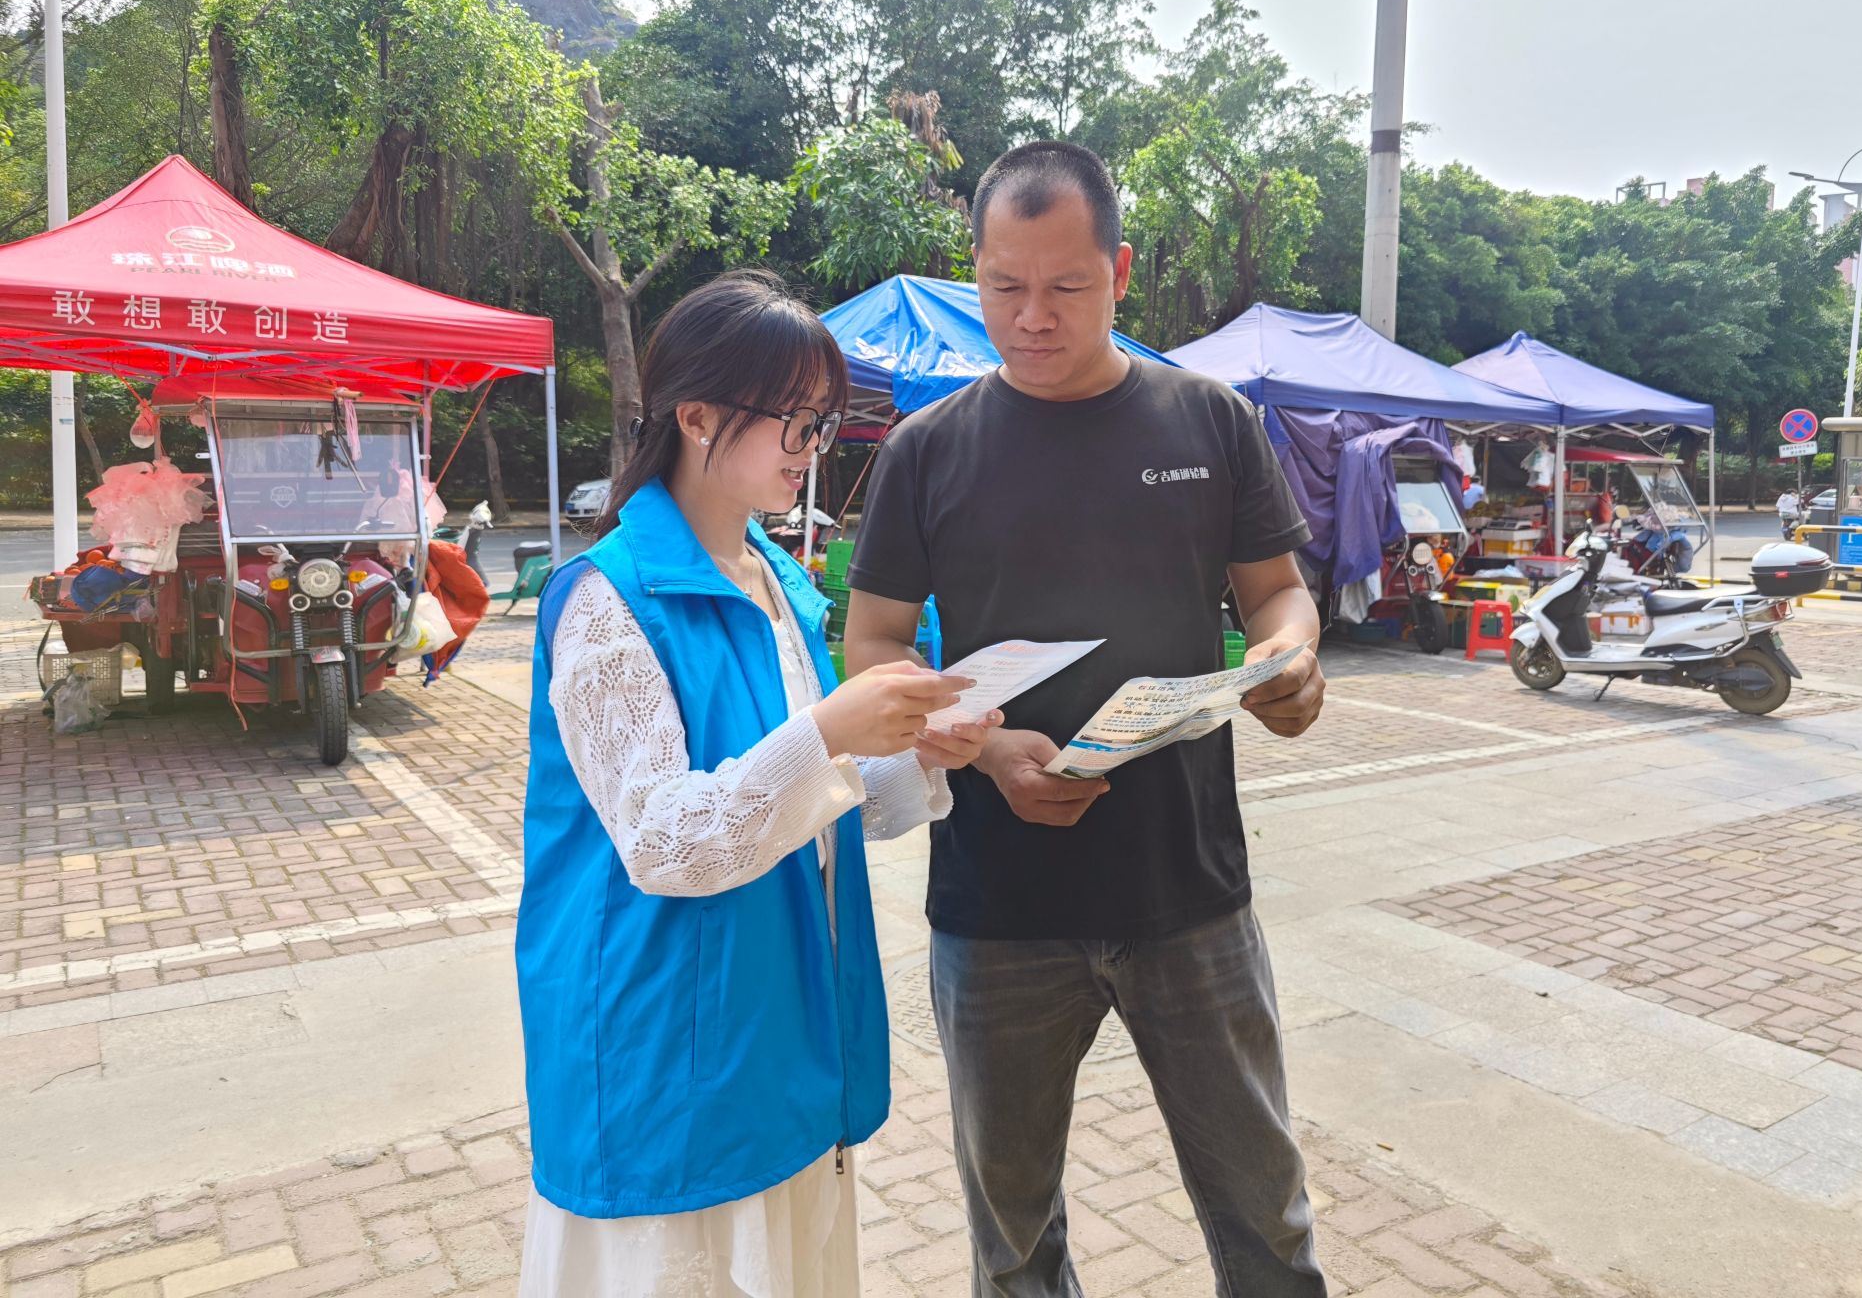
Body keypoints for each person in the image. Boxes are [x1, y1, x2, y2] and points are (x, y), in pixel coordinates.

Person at [845, 142, 1330, 1296]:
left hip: (1188, 893)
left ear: (1118, 271)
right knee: (1013, 1242)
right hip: (996, 907)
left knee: (1263, 1221)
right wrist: (981, 746)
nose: (1031, 317)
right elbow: (872, 645)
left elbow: (1274, 591)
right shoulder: (925, 451)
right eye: (1003, 286)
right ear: (974, 272)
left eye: (1065, 286)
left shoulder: (1209, 422)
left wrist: (1287, 657)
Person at [515, 272, 1001, 1298]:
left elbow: (808, 806)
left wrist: (916, 751)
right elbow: (665, 842)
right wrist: (830, 729)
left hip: (773, 1012)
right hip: (665, 1032)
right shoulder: (606, 599)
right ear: (695, 416)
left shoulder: (777, 582)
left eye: (821, 423)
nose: (810, 447)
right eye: (793, 419)